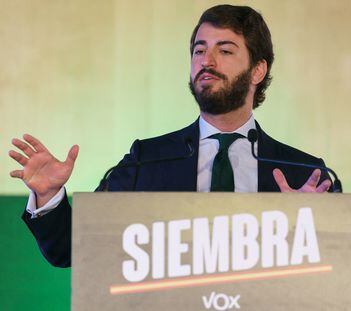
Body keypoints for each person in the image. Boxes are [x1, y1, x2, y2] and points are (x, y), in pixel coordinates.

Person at [9, 5, 332, 268]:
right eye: (199, 50)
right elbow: (73, 250)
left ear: (258, 71)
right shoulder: (146, 161)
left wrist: (303, 229)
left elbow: (334, 276)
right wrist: (50, 196)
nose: (206, 61)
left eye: (226, 50)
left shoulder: (305, 175)